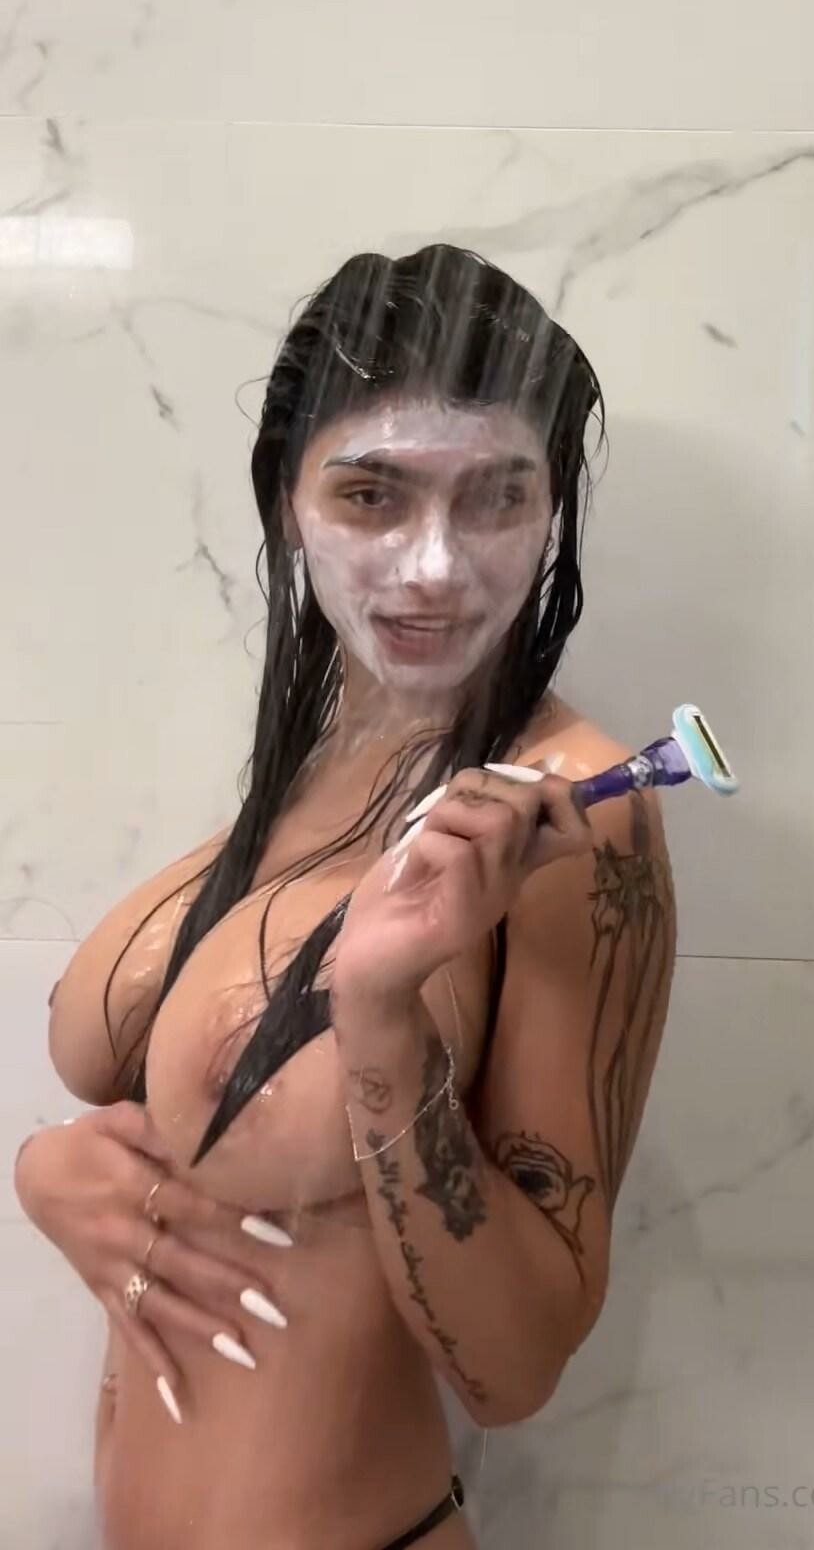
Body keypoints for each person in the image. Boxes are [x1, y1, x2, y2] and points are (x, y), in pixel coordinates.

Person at [14, 245, 678, 1550]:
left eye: (497, 497)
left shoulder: (565, 818)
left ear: (552, 507)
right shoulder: (325, 761)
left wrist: (381, 1023)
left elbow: (516, 1369)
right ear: (286, 502)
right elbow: (137, 1073)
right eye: (373, 495)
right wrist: (50, 1175)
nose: (433, 568)